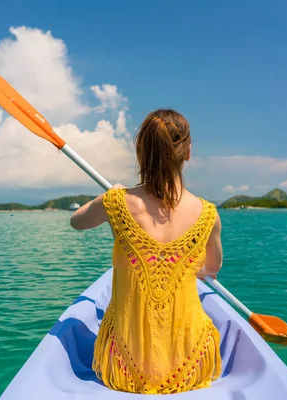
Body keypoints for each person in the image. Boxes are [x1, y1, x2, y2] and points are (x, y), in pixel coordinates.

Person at [70, 109, 223, 394]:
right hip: (191, 366)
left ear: (141, 153)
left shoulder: (115, 202)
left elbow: (76, 222)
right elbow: (211, 269)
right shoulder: (209, 215)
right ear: (188, 153)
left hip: (126, 369)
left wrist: (111, 195)